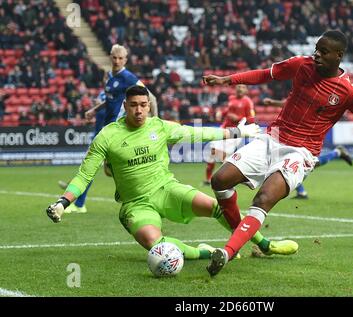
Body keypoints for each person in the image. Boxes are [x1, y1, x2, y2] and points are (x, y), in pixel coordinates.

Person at [202, 29, 353, 277]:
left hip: (301, 152)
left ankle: (228, 252)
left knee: (263, 199)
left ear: (339, 55)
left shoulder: (349, 91)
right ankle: (247, 241)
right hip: (271, 138)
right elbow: (266, 74)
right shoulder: (300, 65)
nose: (317, 55)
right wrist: (227, 80)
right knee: (220, 180)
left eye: (324, 51)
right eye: (316, 49)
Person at [46, 85, 299, 262]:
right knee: (157, 247)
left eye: (143, 105)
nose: (139, 111)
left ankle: (265, 245)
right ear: (125, 106)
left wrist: (237, 133)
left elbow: (195, 134)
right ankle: (205, 252)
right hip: (136, 204)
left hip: (166, 190)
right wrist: (63, 201)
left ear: (148, 106)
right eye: (133, 105)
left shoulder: (159, 127)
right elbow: (84, 175)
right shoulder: (108, 136)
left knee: (219, 207)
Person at [62, 44, 157, 213]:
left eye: (121, 58)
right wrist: (94, 110)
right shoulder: (112, 78)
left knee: (90, 166)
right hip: (107, 128)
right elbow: (111, 100)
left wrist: (154, 121)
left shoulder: (127, 77)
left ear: (125, 60)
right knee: (107, 169)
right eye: (114, 57)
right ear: (110, 58)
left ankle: (76, 203)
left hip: (116, 130)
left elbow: (151, 97)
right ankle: (80, 202)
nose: (117, 61)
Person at [262, 97, 353, 199]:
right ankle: (301, 192)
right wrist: (273, 102)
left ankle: (337, 153)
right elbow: (288, 103)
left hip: (307, 137)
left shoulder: (316, 97)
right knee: (286, 161)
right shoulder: (303, 93)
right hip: (293, 134)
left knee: (308, 163)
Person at [204, 84, 255, 185]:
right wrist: (221, 113)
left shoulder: (248, 102)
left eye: (243, 87)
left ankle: (235, 174)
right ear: (235, 88)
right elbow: (228, 111)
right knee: (212, 152)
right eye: (238, 87)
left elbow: (251, 119)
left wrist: (237, 118)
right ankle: (208, 179)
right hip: (223, 128)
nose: (240, 88)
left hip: (235, 132)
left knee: (221, 155)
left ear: (246, 90)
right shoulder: (231, 98)